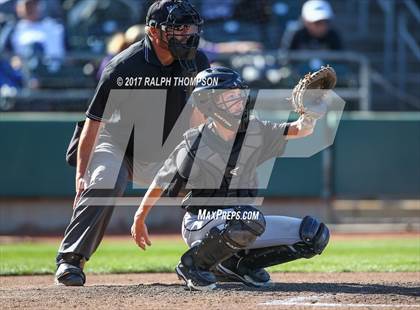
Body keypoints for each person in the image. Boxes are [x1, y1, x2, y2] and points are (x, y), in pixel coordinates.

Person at [131, 67, 330, 291]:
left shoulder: (255, 130)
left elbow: (299, 130)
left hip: (243, 221)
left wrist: (310, 115)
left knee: (314, 235)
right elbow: (161, 181)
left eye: (239, 95)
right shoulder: (195, 142)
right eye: (229, 96)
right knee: (248, 217)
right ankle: (193, 265)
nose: (239, 101)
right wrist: (140, 217)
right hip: (201, 223)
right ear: (209, 102)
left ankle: (239, 266)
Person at [55, 0, 210, 287]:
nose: (186, 34)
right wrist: (81, 175)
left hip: (166, 149)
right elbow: (94, 121)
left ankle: (222, 258)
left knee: (215, 176)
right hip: (117, 146)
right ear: (153, 31)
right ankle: (71, 259)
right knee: (104, 180)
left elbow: (198, 119)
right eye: (176, 28)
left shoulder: (196, 61)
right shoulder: (123, 65)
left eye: (188, 27)